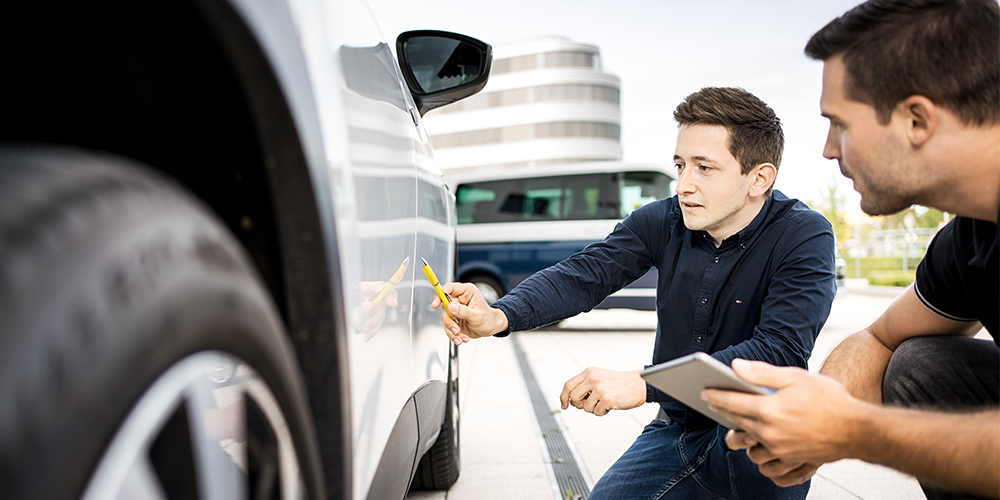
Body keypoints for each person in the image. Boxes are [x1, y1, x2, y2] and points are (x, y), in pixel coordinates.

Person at [433, 87, 837, 499]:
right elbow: (585, 273)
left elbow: (779, 351)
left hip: (756, 437)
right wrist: (499, 315)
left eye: (704, 168)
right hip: (676, 428)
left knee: (763, 404)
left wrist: (647, 383)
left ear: (759, 178)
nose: (684, 185)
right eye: (680, 165)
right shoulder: (663, 220)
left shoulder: (803, 234)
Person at [701, 1, 1000, 499]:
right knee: (919, 361)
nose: (828, 149)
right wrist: (815, 418)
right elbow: (880, 339)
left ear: (916, 121)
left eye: (838, 122)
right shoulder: (972, 236)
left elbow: (859, 426)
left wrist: (854, 431)